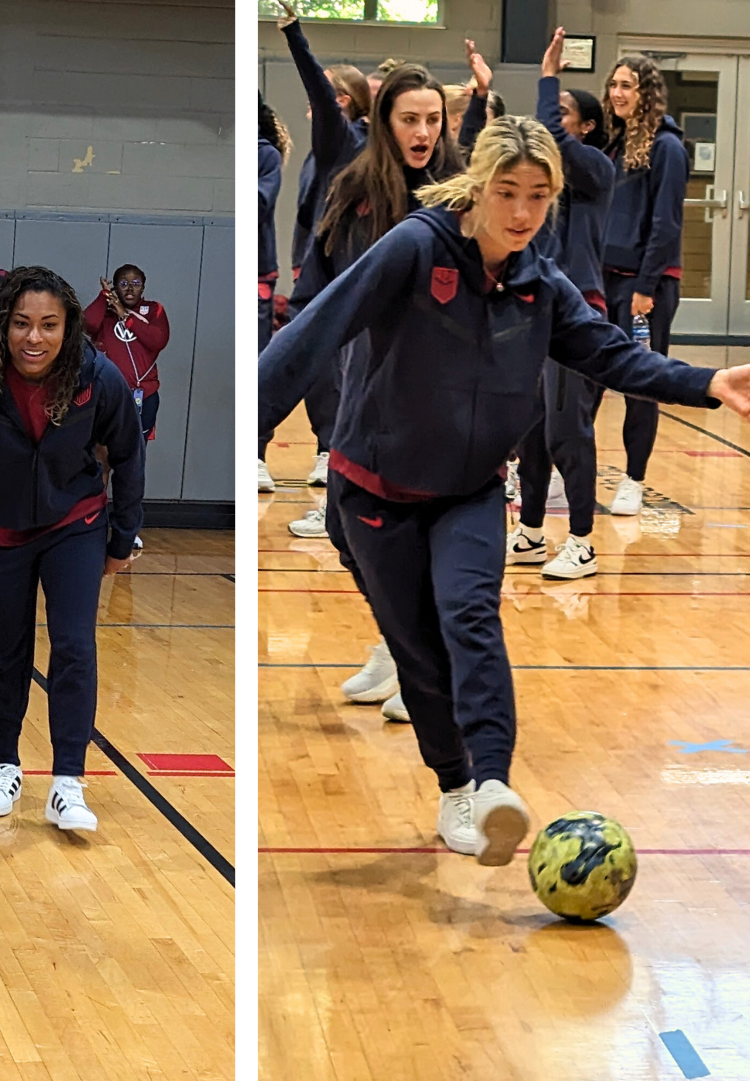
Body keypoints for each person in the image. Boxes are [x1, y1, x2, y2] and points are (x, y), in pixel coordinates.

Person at [259, 117, 750, 865]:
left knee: (472, 618)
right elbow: (315, 331)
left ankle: (491, 786)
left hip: (470, 490)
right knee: (419, 654)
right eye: (508, 192)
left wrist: (706, 381)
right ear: (478, 185)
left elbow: (610, 354)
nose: (521, 212)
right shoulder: (415, 248)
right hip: (374, 491)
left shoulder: (539, 284)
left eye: (538, 197)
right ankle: (454, 788)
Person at [0, 267, 146, 835]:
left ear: (69, 327)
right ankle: (5, 764)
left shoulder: (99, 377)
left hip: (75, 524)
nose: (34, 337)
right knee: (1, 652)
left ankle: (68, 782)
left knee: (74, 645)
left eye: (49, 324)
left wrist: (121, 538)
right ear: (3, 324)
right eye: (22, 323)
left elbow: (129, 457)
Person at [284, 62, 463, 722]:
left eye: (433, 119)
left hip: (435, 395)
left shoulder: (457, 194)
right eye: (409, 118)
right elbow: (317, 290)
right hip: (363, 386)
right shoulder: (353, 186)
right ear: (383, 121)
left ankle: (422, 666)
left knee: (416, 541)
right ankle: (399, 642)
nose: (423, 131)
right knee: (341, 524)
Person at [505, 29, 616, 581]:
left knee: (569, 429)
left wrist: (549, 79)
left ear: (587, 127)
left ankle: (583, 541)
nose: (555, 120)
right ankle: (528, 532)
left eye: (567, 113)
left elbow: (546, 131)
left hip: (579, 312)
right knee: (531, 428)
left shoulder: (596, 169)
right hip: (533, 308)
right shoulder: (544, 181)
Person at [276, 1, 371, 490]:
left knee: (332, 362)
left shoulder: (348, 137)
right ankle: (320, 447)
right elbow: (307, 212)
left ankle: (330, 449)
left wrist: (294, 32)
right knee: (304, 358)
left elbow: (315, 83)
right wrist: (297, 260)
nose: (314, 102)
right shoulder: (321, 152)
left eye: (328, 96)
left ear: (345, 102)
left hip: (345, 267)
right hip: (313, 266)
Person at [595, 54, 688, 518]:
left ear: (646, 92)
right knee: (585, 377)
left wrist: (646, 285)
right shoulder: (612, 147)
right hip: (602, 279)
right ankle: (562, 471)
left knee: (640, 383)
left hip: (643, 287)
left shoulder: (667, 147)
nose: (617, 93)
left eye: (627, 85)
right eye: (613, 84)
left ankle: (634, 479)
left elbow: (665, 223)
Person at [87, 265, 171, 448]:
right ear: (115, 287)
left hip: (143, 396)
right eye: (124, 283)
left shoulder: (153, 310)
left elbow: (158, 340)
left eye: (136, 283)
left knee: (133, 458)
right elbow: (88, 324)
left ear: (143, 287)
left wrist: (125, 315)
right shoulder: (106, 313)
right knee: (99, 458)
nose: (130, 288)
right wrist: (104, 297)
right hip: (106, 395)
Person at [260, 96, 290, 492]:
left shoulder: (265, 157)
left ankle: (256, 454)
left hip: (259, 276)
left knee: (260, 371)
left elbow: (260, 202)